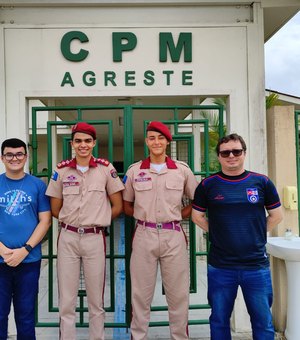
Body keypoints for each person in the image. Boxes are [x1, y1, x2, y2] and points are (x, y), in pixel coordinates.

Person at [192, 133, 283, 340]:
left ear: (244, 153)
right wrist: (218, 232)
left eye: (236, 151)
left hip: (256, 266)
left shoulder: (262, 182)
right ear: (219, 156)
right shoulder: (208, 185)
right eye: (225, 152)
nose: (231, 155)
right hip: (221, 266)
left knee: (263, 322)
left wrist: (256, 234)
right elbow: (197, 216)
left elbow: (277, 215)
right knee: (219, 320)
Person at [46, 122, 124, 340]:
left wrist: (99, 221)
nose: (83, 145)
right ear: (72, 143)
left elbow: (117, 205)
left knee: (96, 299)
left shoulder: (105, 169)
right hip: (68, 237)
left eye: (87, 141)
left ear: (94, 143)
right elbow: (55, 207)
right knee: (67, 299)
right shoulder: (61, 170)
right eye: (78, 141)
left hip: (94, 238)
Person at [123, 121, 198, 340]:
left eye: (160, 138)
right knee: (140, 294)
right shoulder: (135, 171)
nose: (156, 142)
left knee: (178, 294)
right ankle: (138, 336)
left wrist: (178, 216)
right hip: (143, 235)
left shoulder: (181, 171)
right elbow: (127, 204)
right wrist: (142, 216)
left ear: (167, 141)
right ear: (146, 141)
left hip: (172, 235)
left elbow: (197, 200)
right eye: (152, 138)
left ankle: (179, 337)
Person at [0, 138, 51, 340]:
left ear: (26, 156)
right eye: (10, 154)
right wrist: (2, 249)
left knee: (26, 315)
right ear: (2, 157)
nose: (15, 158)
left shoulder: (37, 185)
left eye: (19, 154)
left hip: (29, 261)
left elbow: (45, 221)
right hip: (0, 260)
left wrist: (25, 250)